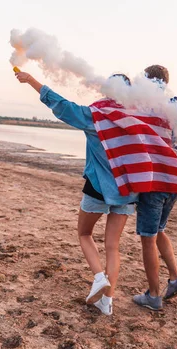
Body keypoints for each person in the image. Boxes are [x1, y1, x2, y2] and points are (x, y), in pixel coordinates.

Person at [16, 71, 137, 316]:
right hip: (127, 189)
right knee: (113, 247)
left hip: (98, 187)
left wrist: (31, 81)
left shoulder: (97, 116)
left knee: (84, 234)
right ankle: (108, 302)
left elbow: (62, 105)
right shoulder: (137, 119)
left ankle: (99, 277)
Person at [132, 65, 177, 311]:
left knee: (148, 238)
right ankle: (175, 279)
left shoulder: (148, 104)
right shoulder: (175, 105)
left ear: (148, 79)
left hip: (155, 181)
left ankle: (154, 295)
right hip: (174, 181)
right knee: (158, 230)